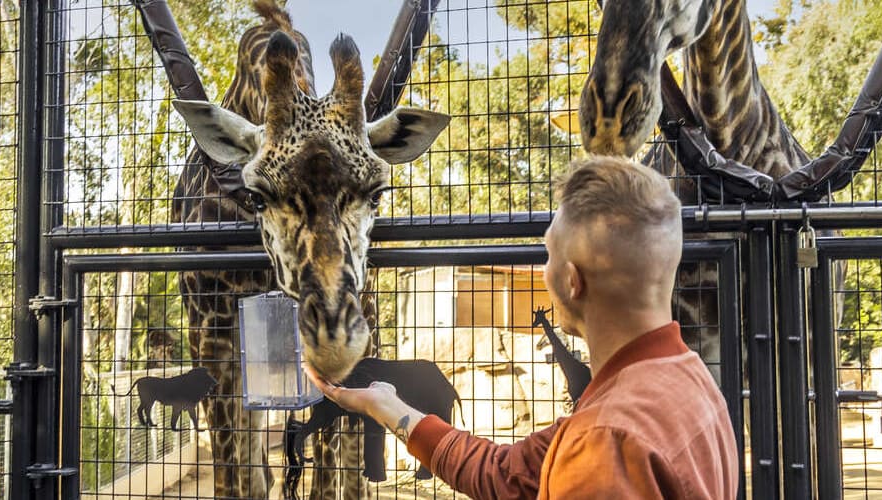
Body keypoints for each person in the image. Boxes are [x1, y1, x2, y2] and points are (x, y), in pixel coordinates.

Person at [307, 156, 739, 498]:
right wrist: (387, 405)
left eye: (547, 253)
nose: (543, 267)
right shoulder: (687, 379)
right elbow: (509, 475)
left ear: (572, 281)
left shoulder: (605, 443)